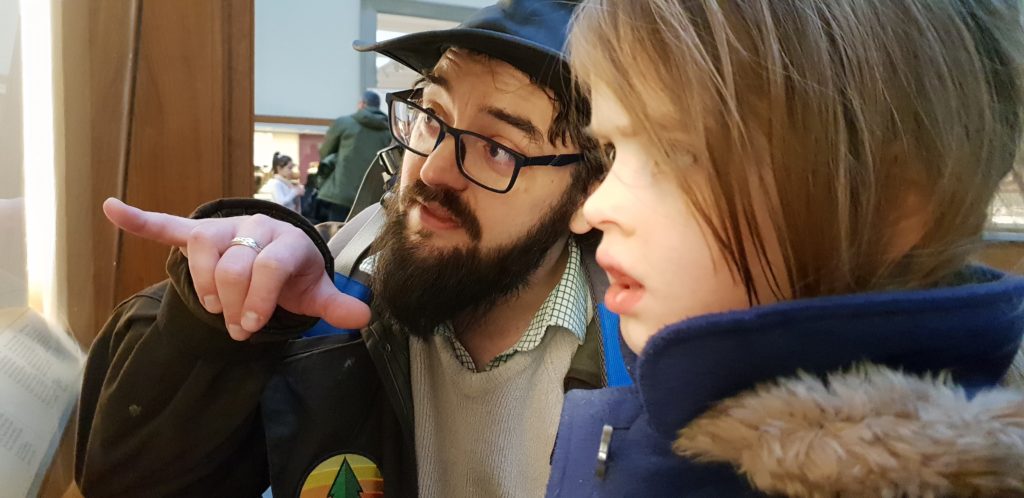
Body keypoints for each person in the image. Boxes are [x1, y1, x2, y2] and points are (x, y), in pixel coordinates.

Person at [73, 1, 609, 497]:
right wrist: (213, 325)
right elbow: (120, 482)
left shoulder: (641, 355)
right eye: (431, 117)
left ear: (589, 190)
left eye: (496, 149)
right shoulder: (323, 290)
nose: (431, 168)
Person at [546, 0, 1024, 496]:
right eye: (610, 151)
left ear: (893, 202)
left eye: (678, 152)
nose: (595, 207)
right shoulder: (656, 423)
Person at [317, 91, 392, 221]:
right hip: (371, 198)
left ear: (362, 104)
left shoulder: (344, 123)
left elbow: (325, 152)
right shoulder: (389, 130)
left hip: (341, 193)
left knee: (336, 235)